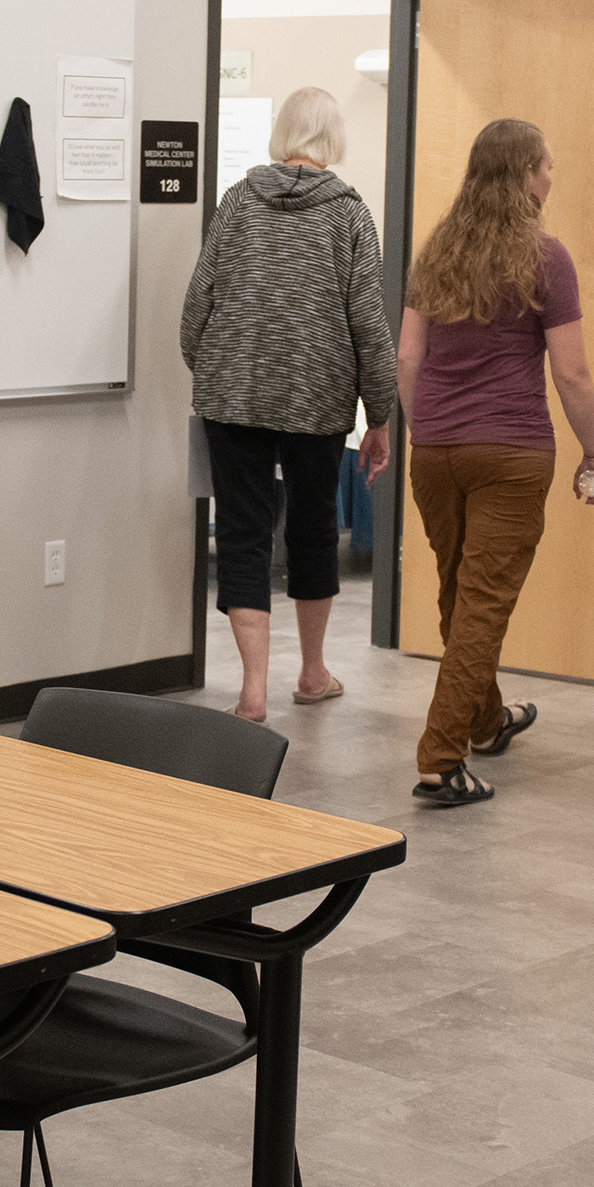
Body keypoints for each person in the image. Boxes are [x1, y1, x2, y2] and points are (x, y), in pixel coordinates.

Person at [399, 119, 594, 806]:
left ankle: (487, 719)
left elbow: (407, 357)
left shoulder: (436, 252)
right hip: (511, 451)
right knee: (483, 602)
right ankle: (440, 756)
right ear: (525, 173)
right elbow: (573, 375)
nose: (553, 177)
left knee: (461, 593)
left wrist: (423, 428)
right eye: (547, 167)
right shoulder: (546, 259)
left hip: (436, 450)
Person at [180, 86, 396, 722]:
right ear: (333, 140)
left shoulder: (238, 202)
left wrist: (216, 373)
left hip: (234, 394)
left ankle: (252, 693)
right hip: (316, 399)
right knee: (312, 530)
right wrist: (378, 415)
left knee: (243, 534)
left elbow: (198, 304)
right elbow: (369, 325)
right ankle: (311, 672)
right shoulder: (349, 215)